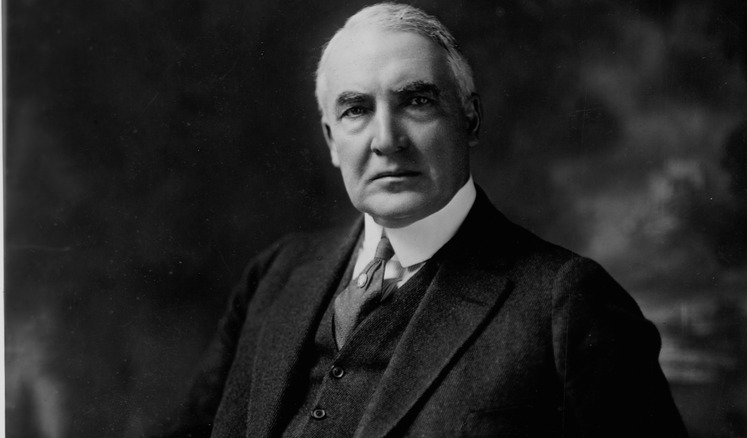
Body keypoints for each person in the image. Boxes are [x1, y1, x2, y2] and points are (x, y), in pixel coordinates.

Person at [155, 3, 687, 437]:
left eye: (416, 101)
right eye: (356, 110)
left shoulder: (567, 302)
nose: (387, 140)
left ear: (470, 118)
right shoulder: (275, 274)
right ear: (332, 141)